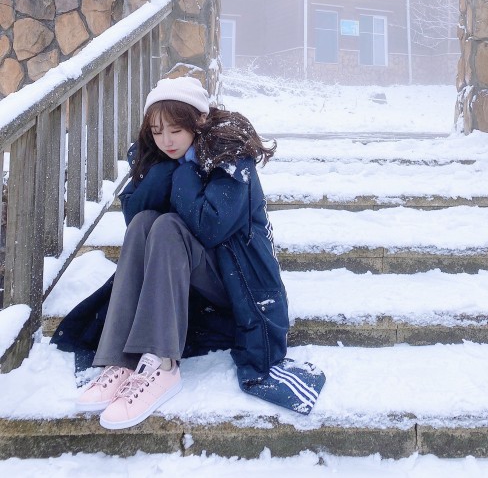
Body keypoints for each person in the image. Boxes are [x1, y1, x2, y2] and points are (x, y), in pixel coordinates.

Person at [52, 75, 325, 429]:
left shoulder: (230, 158)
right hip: (181, 280)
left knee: (168, 227)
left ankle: (163, 366)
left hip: (234, 282)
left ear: (198, 122)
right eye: (156, 131)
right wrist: (165, 170)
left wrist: (187, 171)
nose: (165, 141)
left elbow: (210, 226)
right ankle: (120, 359)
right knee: (146, 223)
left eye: (175, 131)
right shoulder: (159, 157)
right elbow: (135, 217)